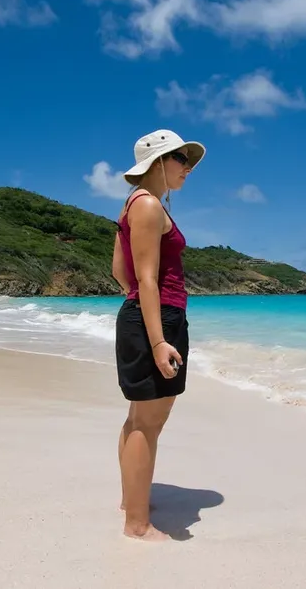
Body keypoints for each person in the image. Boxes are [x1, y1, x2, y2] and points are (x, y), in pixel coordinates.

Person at [111, 128, 206, 541]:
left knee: (139, 419)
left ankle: (132, 500)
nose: (187, 167)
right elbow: (146, 280)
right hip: (158, 320)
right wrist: (157, 339)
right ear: (157, 162)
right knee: (148, 422)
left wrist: (139, 310)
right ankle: (137, 524)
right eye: (180, 159)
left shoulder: (133, 205)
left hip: (147, 316)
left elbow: (121, 271)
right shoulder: (148, 206)